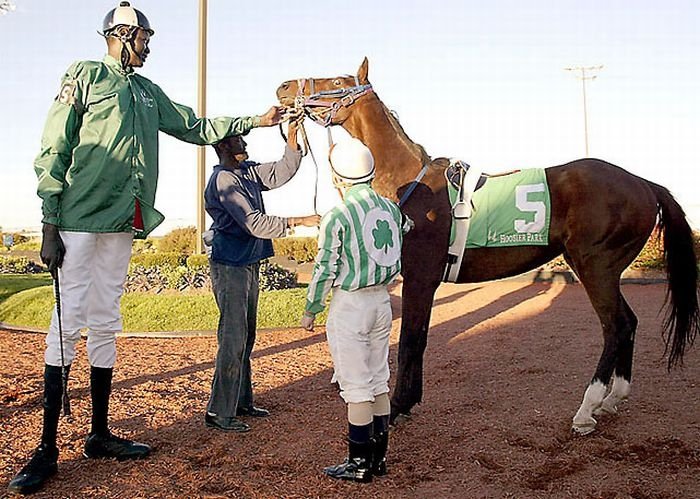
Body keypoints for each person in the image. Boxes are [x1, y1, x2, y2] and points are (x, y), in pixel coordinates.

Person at [8, 2, 285, 495]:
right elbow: (55, 145)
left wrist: (258, 120)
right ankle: (47, 448)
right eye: (146, 37)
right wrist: (49, 222)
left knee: (107, 320)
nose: (150, 45)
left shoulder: (146, 90)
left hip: (122, 221)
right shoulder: (86, 74)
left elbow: (195, 125)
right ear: (123, 34)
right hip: (76, 219)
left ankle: (99, 434)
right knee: (67, 321)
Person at [300, 138, 412, 483]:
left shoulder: (338, 215)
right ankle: (378, 460)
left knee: (356, 387)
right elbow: (407, 228)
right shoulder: (391, 209)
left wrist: (312, 308)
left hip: (351, 304)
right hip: (383, 302)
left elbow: (324, 267)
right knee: (379, 379)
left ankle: (359, 463)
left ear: (338, 179)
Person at [204, 120, 320, 432]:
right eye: (240, 141)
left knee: (246, 334)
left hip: (248, 261)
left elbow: (282, 171)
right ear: (224, 147)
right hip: (230, 265)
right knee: (233, 337)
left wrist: (293, 140)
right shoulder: (224, 181)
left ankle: (241, 402)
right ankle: (219, 412)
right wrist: (300, 221)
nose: (246, 146)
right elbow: (253, 223)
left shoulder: (247, 172)